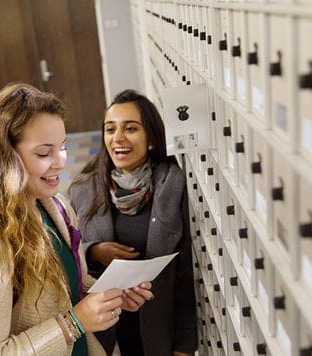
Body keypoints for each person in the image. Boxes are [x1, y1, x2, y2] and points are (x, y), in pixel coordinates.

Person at [0, 83, 153, 355]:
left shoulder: (54, 207)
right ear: (2, 157)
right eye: (43, 152)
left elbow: (72, 284)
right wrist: (74, 323)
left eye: (62, 147)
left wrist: (111, 295)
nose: (61, 162)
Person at [69, 89, 198, 356]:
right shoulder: (84, 186)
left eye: (130, 128)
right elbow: (67, 255)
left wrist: (185, 346)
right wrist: (93, 250)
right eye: (110, 129)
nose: (118, 138)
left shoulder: (172, 185)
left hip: (156, 323)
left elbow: (185, 271)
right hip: (107, 324)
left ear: (151, 138)